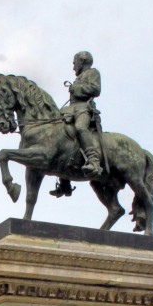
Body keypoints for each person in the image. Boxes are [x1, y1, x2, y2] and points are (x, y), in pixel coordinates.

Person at [51, 51, 103, 197]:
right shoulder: (79, 77)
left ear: (82, 61)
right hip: (71, 110)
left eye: (74, 62)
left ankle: (93, 160)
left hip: (84, 109)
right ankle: (64, 182)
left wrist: (76, 89)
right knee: (57, 134)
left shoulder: (93, 73)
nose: (73, 66)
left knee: (80, 128)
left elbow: (95, 89)